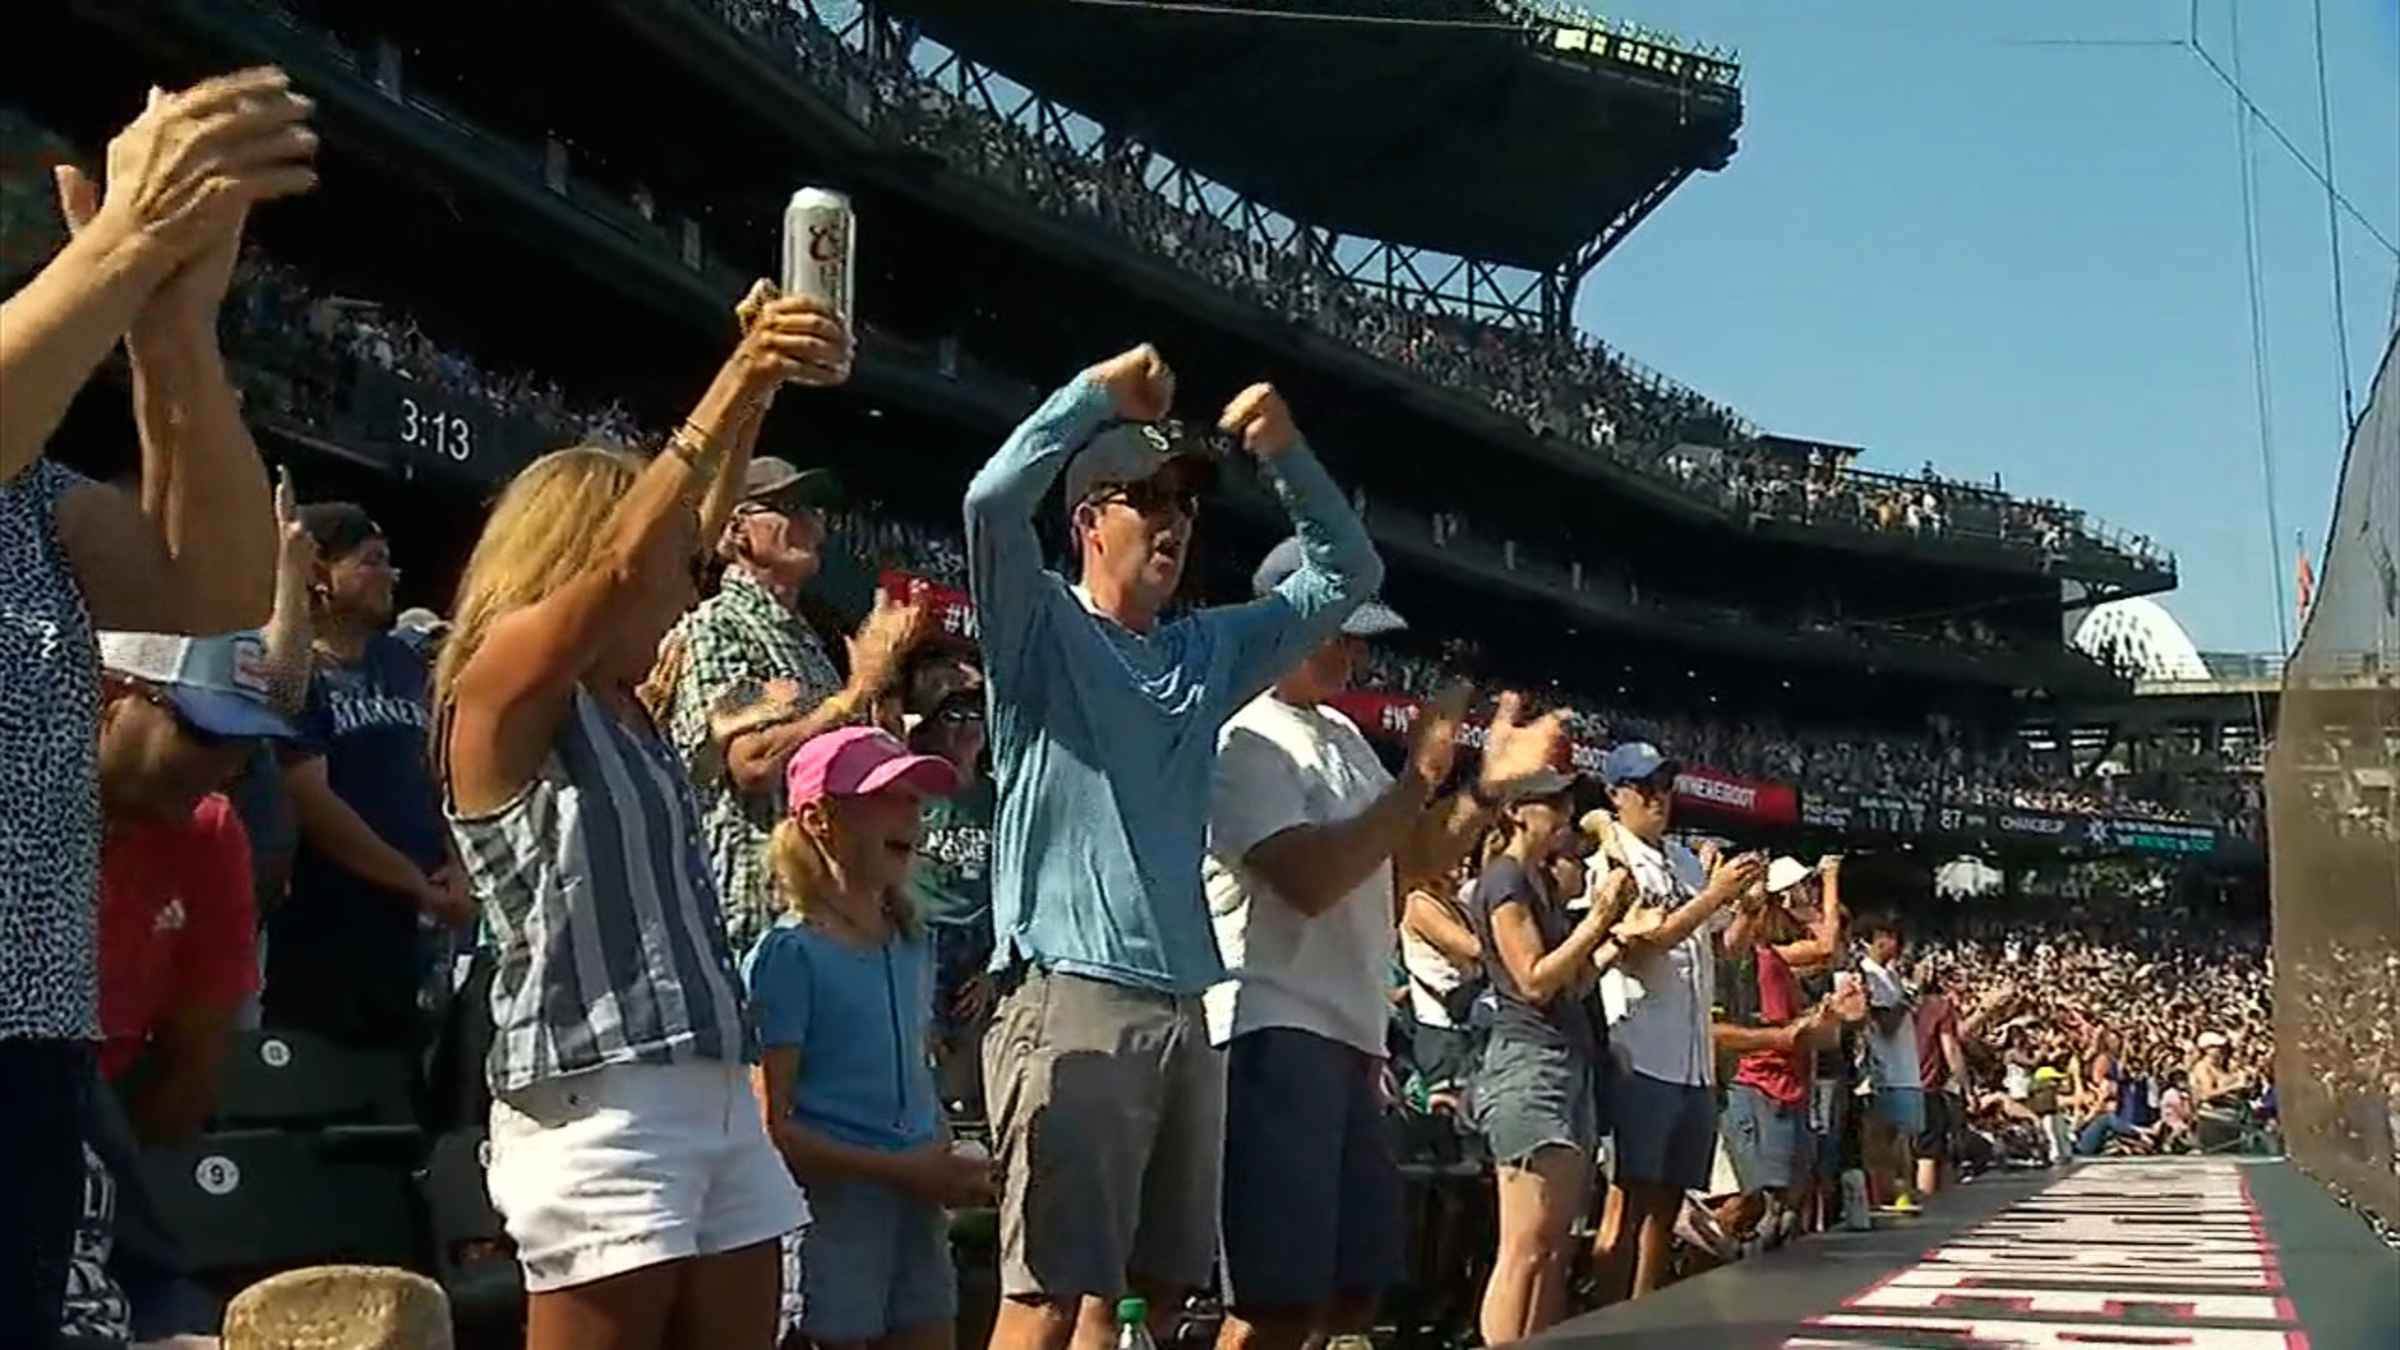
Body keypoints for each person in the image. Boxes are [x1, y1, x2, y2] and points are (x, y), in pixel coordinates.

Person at [432, 281, 844, 1349]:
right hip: (597, 1103)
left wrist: (764, 394)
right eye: (669, 570)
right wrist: (741, 373)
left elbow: (673, 543)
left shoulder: (628, 704)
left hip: (711, 1081)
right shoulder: (506, 697)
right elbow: (628, 561)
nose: (683, 587)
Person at [963, 344, 1382, 1350]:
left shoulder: (1204, 653)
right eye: (1147, 498)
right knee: (1046, 1294)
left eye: (1186, 504)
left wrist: (1282, 451)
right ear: (1087, 524)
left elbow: (1348, 572)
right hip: (1070, 991)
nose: (1174, 521)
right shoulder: (1038, 628)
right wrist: (1095, 396)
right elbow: (989, 502)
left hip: (1186, 1000)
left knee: (1143, 1291)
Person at [0, 68, 313, 1340]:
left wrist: (174, 328)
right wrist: (129, 243)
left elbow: (211, 608)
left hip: (27, 1033)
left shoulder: (37, 493)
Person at [1203, 545, 1564, 1350]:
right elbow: (1310, 879)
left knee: (1351, 1294)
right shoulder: (1243, 736)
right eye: (1341, 630)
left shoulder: (1339, 734)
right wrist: (1419, 780)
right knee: (1274, 1300)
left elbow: (1411, 865)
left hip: (1351, 1034)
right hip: (1271, 1027)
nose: (1356, 651)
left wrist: (1482, 791)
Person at [78, 630, 303, 1343]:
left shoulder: (210, 835)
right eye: (205, 732)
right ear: (110, 697)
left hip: (106, 1146)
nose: (229, 765)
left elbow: (191, 1065)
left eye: (246, 747)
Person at [748, 726, 994, 1350]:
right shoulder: (788, 955)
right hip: (832, 1224)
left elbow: (913, 1071)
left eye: (915, 797)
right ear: (819, 818)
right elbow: (772, 1127)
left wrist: (942, 1156)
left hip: (917, 1214)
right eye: (885, 796)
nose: (912, 811)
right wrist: (901, 1171)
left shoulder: (913, 943)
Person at [667, 450, 927, 957]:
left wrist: (880, 687)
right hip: (756, 921)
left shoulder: (809, 641)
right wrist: (854, 691)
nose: (812, 523)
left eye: (814, 511)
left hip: (821, 911)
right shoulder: (718, 623)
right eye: (790, 507)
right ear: (739, 530)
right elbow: (751, 764)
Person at [267, 501, 467, 1052]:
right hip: (327, 929)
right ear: (319, 575)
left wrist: (453, 862)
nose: (389, 575)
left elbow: (442, 774)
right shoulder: (294, 671)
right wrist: (414, 881)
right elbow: (312, 800)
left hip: (416, 930)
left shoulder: (404, 663)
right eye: (371, 561)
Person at [1469, 776, 1640, 1343]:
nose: (1568, 814)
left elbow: (1572, 981)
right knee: (1524, 1244)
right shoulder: (1505, 879)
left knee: (1555, 1244)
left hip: (1565, 1061)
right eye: (1556, 803)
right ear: (1517, 811)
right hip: (1528, 1066)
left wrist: (1614, 939)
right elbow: (1533, 980)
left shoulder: (1539, 882)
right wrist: (1597, 921)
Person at [1592, 742, 1762, 1300]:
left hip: (1691, 1062)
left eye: (1664, 786)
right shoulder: (1608, 860)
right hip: (1639, 1049)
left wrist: (1745, 911)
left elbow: (1727, 950)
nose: (1658, 798)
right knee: (1628, 1197)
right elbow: (1642, 948)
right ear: (1616, 794)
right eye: (1644, 788)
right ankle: (1605, 1321)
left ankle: (1643, 1316)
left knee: (1667, 1207)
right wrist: (1713, 895)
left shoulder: (1685, 861)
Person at [1715, 858, 1856, 1250]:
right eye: (1800, 887)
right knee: (1754, 1201)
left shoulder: (1775, 957)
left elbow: (1801, 1022)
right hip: (1758, 1084)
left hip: (1788, 1085)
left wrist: (1827, 1016)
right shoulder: (1747, 955)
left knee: (1786, 1201)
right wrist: (1830, 879)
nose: (1805, 893)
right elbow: (1826, 944)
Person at [902, 644, 998, 1114]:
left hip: (981, 942)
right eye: (952, 715)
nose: (966, 726)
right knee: (921, 1057)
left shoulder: (998, 795)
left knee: (971, 1068)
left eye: (974, 714)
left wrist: (993, 967)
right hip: (924, 936)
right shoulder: (912, 792)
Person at [1857, 918, 1924, 1210]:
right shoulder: (1866, 975)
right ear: (1876, 939)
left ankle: (1903, 1191)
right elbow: (1885, 1023)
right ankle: (1890, 1194)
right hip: (1887, 1072)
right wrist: (1910, 994)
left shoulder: (1891, 975)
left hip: (1906, 1069)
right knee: (1887, 1136)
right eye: (1891, 937)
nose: (1897, 944)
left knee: (1904, 1137)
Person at [1913, 964, 1969, 1192]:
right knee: (1929, 1153)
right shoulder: (1940, 1007)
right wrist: (1965, 1085)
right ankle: (1931, 1207)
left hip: (1897, 1083)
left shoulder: (1904, 1006)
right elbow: (1951, 1050)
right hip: (1928, 1085)